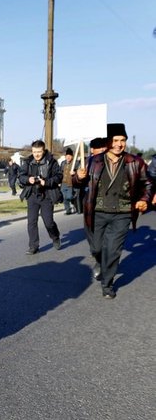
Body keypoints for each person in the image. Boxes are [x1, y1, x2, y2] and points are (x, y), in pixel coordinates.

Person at [74, 123, 152, 299]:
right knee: (96, 248)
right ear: (109, 141)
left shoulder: (135, 162)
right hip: (97, 212)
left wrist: (144, 200)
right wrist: (78, 177)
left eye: (122, 140)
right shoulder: (94, 160)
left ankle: (107, 284)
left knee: (113, 249)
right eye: (115, 140)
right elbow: (79, 182)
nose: (119, 144)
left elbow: (147, 183)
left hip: (122, 213)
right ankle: (101, 263)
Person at [18, 139, 63, 254]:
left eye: (39, 152)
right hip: (32, 195)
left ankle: (55, 237)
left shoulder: (51, 161)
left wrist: (46, 182)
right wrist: (28, 179)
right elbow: (21, 176)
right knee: (31, 222)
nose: (36, 154)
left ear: (43, 151)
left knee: (48, 222)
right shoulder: (28, 162)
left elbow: (59, 176)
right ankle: (33, 246)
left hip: (46, 195)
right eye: (34, 152)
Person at [59, 147, 77, 214]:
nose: (68, 157)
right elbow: (60, 172)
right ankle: (68, 210)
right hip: (63, 183)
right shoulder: (63, 163)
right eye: (67, 156)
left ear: (72, 156)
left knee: (69, 196)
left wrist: (75, 173)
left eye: (70, 156)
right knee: (64, 197)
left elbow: (79, 171)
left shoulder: (75, 163)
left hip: (70, 183)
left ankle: (74, 202)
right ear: (65, 156)